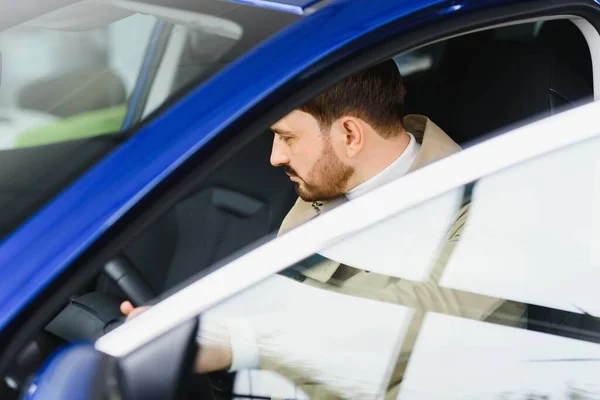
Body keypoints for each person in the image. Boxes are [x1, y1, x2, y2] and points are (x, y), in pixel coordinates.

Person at [121, 59, 527, 399]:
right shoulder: (326, 184)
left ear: (350, 135)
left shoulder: (486, 214)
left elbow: (397, 335)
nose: (275, 157)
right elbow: (281, 297)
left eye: (286, 137)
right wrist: (191, 324)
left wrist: (234, 343)